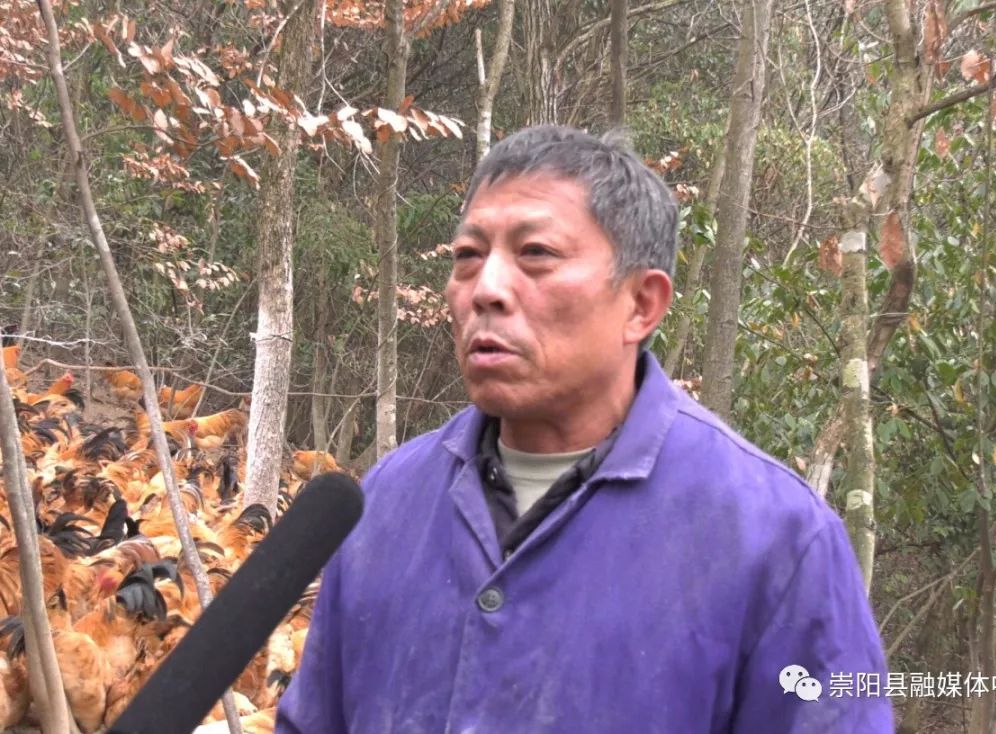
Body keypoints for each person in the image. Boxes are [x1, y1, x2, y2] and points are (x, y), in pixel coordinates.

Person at [275, 126, 893, 733]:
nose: (486, 289)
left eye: (536, 254)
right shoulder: (387, 502)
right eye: (468, 256)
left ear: (641, 304)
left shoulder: (775, 538)